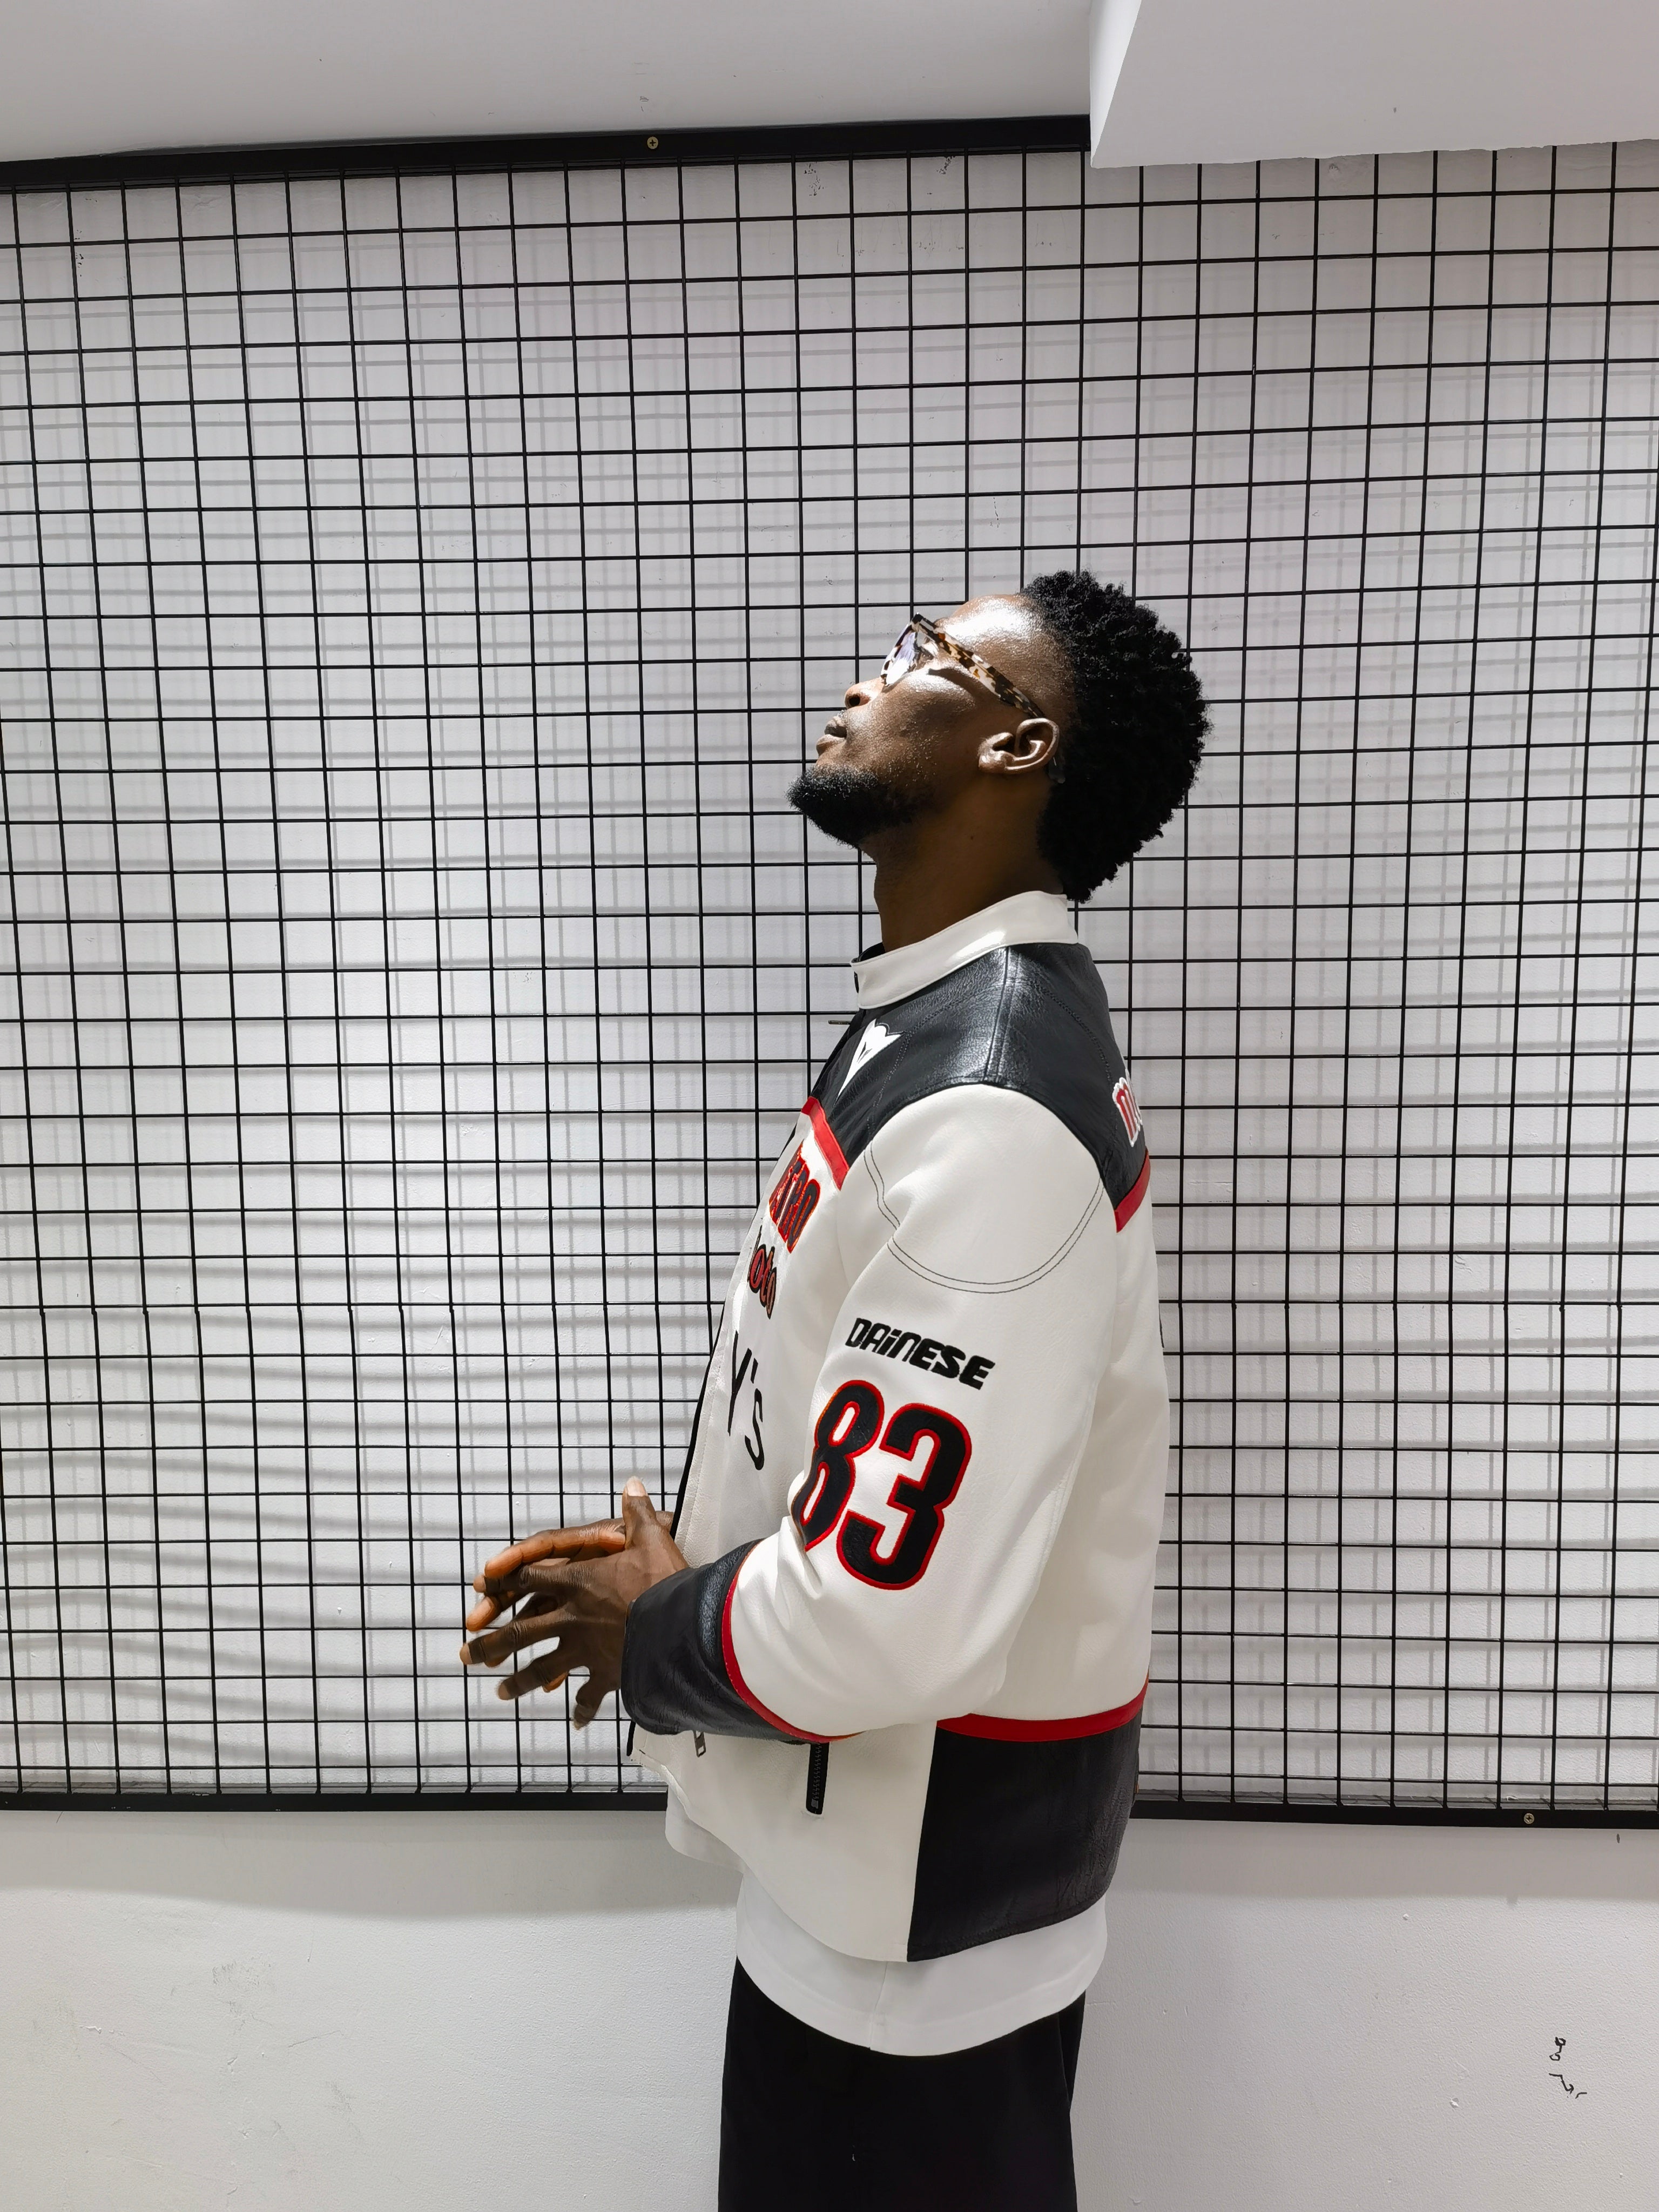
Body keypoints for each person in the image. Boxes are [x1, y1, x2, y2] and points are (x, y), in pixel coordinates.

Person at [460, 570, 1207, 2210]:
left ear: (1019, 750)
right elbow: (865, 1453)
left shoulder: (995, 1105)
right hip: (868, 1864)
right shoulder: (936, 1024)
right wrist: (689, 1564)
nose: (876, 676)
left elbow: (886, 1614)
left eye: (933, 660)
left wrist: (654, 1627)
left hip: (921, 1919)